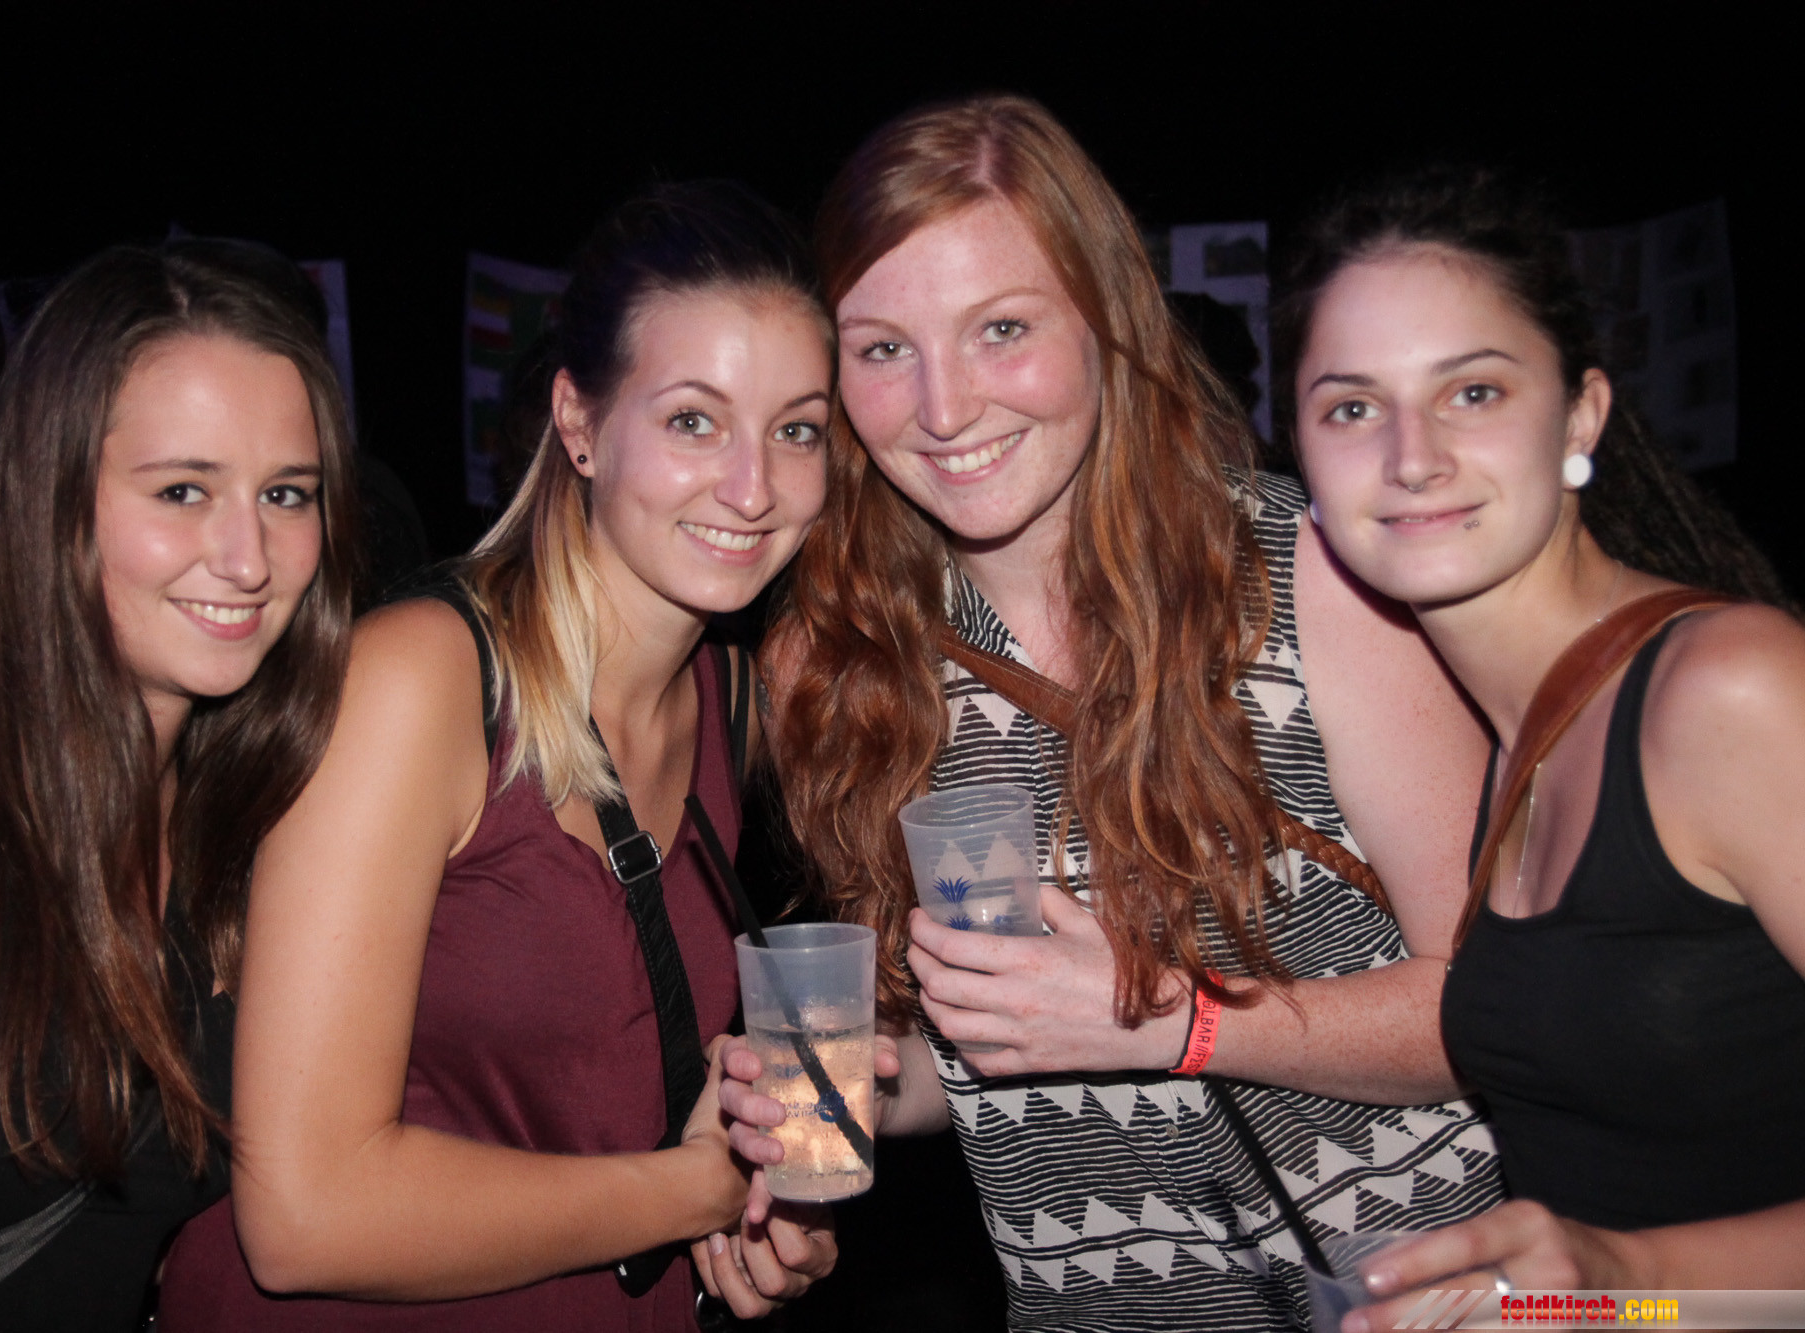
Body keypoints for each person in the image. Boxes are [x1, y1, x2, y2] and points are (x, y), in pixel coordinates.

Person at [721, 95, 1508, 1331]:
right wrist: (844, 1093)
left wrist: (1175, 1022)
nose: (942, 408)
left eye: (1000, 329)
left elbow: (1493, 1009)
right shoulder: (836, 666)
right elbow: (980, 1060)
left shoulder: (1305, 578)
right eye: (880, 350)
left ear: (1105, 314)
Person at [159, 181, 837, 1330]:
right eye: (692, 420)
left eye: (797, 430)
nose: (751, 485)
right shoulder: (418, 683)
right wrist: (694, 1191)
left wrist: (768, 1201)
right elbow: (304, 1214)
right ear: (578, 423)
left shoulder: (729, 698)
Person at [1275, 170, 1805, 1326]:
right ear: (1299, 459)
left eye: (1470, 391)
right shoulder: (1499, 736)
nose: (1410, 457)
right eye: (1351, 408)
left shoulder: (1727, 690)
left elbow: (1626, 1265)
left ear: (1579, 416)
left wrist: (1629, 1271)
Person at [0, 245, 359, 1329]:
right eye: (183, 490)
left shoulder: (245, 827)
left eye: (285, 493)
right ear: (52, 495)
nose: (249, 556)